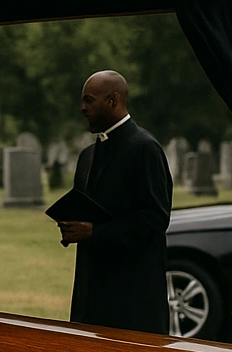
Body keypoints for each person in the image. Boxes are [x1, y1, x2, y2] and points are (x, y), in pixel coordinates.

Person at [58, 70, 172, 334]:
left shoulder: (145, 148)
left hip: (131, 296)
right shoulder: (88, 154)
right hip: (91, 292)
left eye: (89, 100)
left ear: (112, 101)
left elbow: (156, 218)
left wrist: (95, 232)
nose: (82, 108)